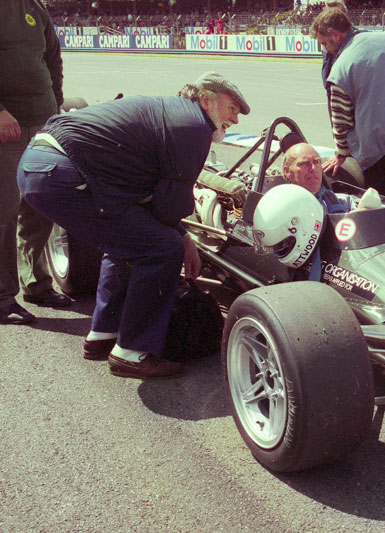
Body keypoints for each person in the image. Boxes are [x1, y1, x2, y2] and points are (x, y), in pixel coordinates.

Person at [16, 72, 250, 379]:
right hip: (62, 173)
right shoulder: (195, 125)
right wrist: (183, 238)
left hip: (39, 166)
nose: (234, 119)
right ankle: (132, 353)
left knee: (129, 241)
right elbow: (171, 204)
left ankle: (103, 334)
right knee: (161, 248)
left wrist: (180, 232)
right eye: (231, 109)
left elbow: (153, 201)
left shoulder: (172, 111)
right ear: (206, 100)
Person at [310, 7, 385, 205]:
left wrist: (341, 153)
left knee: (379, 199)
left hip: (380, 142)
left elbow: (341, 120)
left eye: (324, 43)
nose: (326, 48)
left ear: (335, 35)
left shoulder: (340, 69)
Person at [1, 0, 71, 325]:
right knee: (4, 211)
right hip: (6, 127)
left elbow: (53, 59)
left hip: (42, 121)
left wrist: (55, 104)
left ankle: (37, 284)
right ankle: (2, 298)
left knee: (40, 205)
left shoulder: (35, 7)